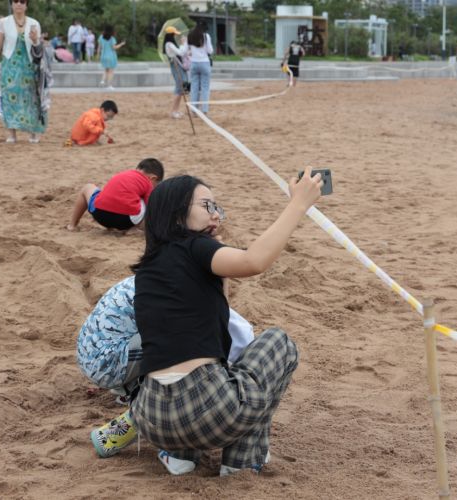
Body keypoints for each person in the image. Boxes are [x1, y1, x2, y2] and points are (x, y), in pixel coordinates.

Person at [129, 167, 323, 476]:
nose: (215, 214)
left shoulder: (148, 270)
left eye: (216, 207)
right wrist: (298, 204)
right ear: (176, 213)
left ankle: (180, 458)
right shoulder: (194, 247)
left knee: (209, 362)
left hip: (151, 416)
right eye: (206, 206)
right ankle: (242, 461)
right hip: (207, 409)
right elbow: (253, 261)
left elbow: (208, 319)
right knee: (278, 343)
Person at [78, 275, 256, 475]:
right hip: (108, 362)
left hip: (96, 354)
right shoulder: (186, 293)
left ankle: (131, 393)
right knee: (181, 346)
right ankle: (135, 410)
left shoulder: (166, 272)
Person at [0, 0, 47, 144]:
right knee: (9, 97)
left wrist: (35, 40)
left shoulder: (34, 23)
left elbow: (38, 48)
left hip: (29, 65)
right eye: (15, 1)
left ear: (26, 5)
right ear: (12, 4)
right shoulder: (4, 22)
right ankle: (11, 134)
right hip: (10, 65)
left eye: (22, 1)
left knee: (32, 98)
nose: (19, 4)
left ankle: (33, 134)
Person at [66, 158, 163, 232]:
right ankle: (134, 229)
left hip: (100, 215)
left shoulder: (124, 174)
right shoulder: (147, 183)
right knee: (146, 202)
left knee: (87, 187)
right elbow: (151, 207)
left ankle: (72, 225)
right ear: (153, 178)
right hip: (126, 221)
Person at [187, 24, 213, 115]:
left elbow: (187, 50)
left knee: (194, 88)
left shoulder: (190, 36)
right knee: (205, 88)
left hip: (194, 63)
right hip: (204, 62)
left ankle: (194, 110)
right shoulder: (206, 36)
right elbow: (210, 50)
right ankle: (204, 110)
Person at [163, 27, 188, 119]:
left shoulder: (170, 44)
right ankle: (173, 111)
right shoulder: (169, 44)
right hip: (176, 66)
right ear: (171, 35)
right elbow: (180, 53)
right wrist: (183, 44)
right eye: (174, 34)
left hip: (178, 66)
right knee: (179, 87)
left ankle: (176, 110)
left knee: (182, 88)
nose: (175, 36)